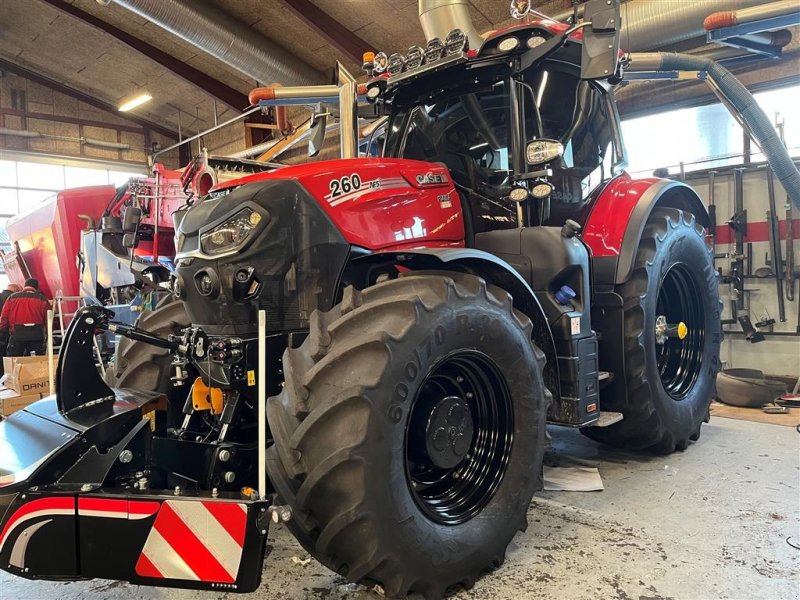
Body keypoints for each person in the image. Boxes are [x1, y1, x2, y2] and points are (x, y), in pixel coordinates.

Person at [0, 278, 51, 357]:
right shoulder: (42, 299)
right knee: (34, 362)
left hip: (17, 335)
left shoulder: (12, 298)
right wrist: (48, 334)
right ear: (36, 288)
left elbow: (4, 317)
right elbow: (48, 319)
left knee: (14, 362)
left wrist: (3, 330)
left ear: (25, 286)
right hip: (36, 336)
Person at [0, 283, 22, 376]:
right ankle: (9, 376)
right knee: (9, 356)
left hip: (1, 328)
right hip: (9, 331)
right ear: (16, 289)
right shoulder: (14, 298)